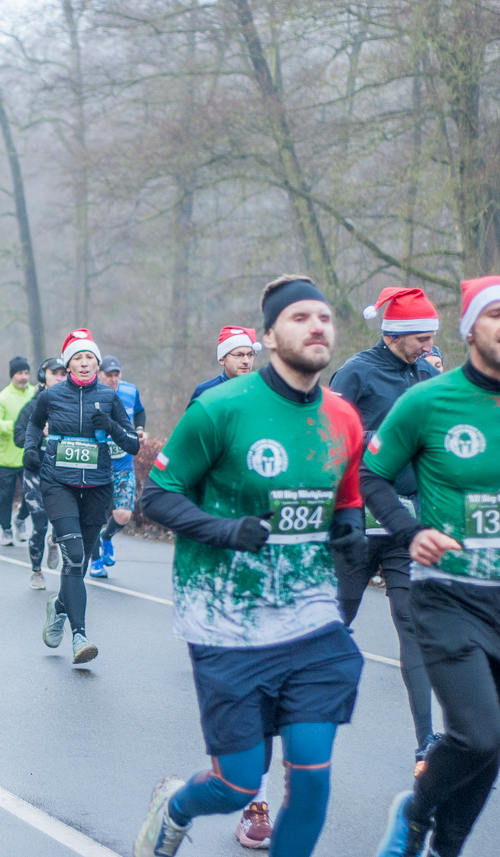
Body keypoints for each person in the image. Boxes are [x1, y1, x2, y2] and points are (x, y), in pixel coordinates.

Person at [132, 275, 366, 857]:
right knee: (237, 784)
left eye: (324, 317)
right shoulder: (221, 409)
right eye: (299, 317)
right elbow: (157, 495)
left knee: (311, 777)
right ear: (269, 337)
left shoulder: (343, 417)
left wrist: (351, 528)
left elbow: (348, 498)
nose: (316, 327)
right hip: (225, 618)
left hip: (310, 618)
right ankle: (175, 806)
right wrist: (226, 531)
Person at [368, 276, 500, 857]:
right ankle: (415, 813)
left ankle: (445, 847)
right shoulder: (428, 400)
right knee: (478, 734)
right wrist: (411, 531)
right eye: (496, 315)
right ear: (470, 329)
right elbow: (371, 474)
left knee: (492, 745)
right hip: (449, 594)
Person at [329, 286, 441, 780]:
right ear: (394, 334)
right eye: (421, 338)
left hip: (406, 524)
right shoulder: (355, 373)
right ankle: (298, 713)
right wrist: (385, 442)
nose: (429, 346)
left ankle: (426, 742)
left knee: (411, 624)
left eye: (432, 337)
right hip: (358, 519)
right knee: (337, 619)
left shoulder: (428, 375)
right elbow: (328, 437)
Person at [26, 330, 139, 664]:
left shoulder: (109, 397)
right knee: (74, 556)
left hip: (98, 486)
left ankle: (60, 605)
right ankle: (80, 637)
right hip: (58, 483)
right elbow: (34, 425)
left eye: (90, 357)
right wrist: (31, 449)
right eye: (78, 358)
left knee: (82, 561)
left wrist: (111, 426)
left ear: (97, 363)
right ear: (68, 364)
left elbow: (132, 443)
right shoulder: (50, 396)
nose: (85, 363)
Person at [92, 356, 148, 578]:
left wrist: (140, 429)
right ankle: (95, 561)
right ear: (99, 373)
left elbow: (139, 411)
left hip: (123, 463)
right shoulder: (90, 393)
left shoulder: (130, 391)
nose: (113, 379)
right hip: (96, 464)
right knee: (94, 516)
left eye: (117, 375)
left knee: (123, 515)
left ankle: (106, 537)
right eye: (109, 375)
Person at [13, 357, 67, 588]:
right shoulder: (32, 406)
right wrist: (37, 438)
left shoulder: (72, 405)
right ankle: (36, 571)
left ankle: (54, 542)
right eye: (54, 373)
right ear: (43, 376)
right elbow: (18, 437)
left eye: (63, 373)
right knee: (40, 524)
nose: (59, 378)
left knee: (60, 524)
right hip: (35, 472)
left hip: (62, 474)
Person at [0, 357, 36, 546]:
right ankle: (6, 529)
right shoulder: (2, 397)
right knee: (5, 497)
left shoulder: (34, 393)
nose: (23, 377)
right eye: (19, 373)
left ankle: (21, 519)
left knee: (32, 494)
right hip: (5, 458)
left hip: (27, 456)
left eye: (26, 373)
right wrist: (15, 426)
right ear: (12, 376)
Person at [189, 326, 262, 405]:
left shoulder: (261, 390)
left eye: (250, 355)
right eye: (239, 355)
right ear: (222, 359)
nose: (246, 361)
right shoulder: (204, 392)